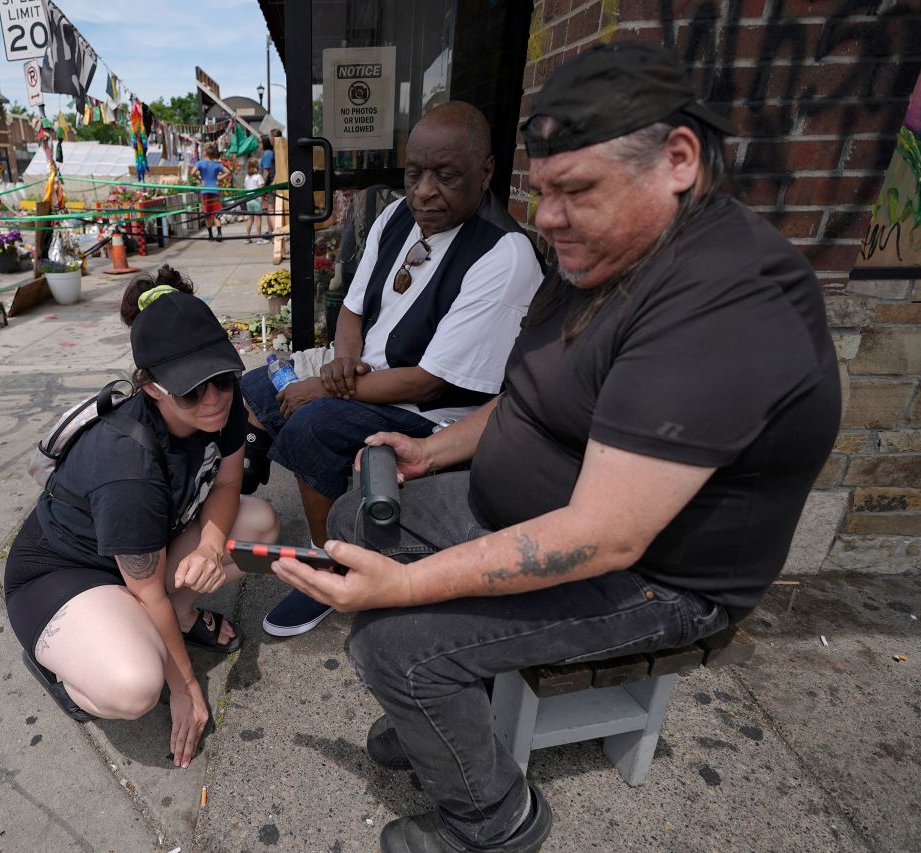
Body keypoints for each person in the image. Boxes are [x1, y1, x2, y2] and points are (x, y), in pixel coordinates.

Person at [270, 43, 841, 853]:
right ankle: (444, 716)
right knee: (371, 512)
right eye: (541, 192)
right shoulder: (615, 249)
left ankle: (495, 816)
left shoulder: (722, 304)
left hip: (655, 579)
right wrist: (437, 452)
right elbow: (530, 395)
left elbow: (607, 534)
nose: (545, 218)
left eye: (574, 191)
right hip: (541, 507)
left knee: (394, 637)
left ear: (677, 160)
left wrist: (405, 589)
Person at [240, 101, 544, 637]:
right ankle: (246, 481)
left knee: (313, 426)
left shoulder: (503, 255)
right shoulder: (397, 215)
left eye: (446, 177)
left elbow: (431, 380)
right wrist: (341, 363)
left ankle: (330, 564)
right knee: (253, 389)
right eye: (414, 173)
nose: (425, 191)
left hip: (436, 414)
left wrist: (328, 392)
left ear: (487, 171)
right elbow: (354, 309)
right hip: (368, 375)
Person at [3, 265, 280, 770]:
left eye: (222, 376)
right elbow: (147, 588)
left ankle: (176, 619)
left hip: (142, 554)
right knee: (134, 687)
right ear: (152, 388)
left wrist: (211, 548)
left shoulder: (224, 404)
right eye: (192, 390)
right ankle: (65, 665)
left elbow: (229, 484)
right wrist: (186, 686)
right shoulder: (127, 465)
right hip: (62, 575)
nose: (214, 398)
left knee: (256, 524)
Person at [191, 142, 230, 242]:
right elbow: (228, 171)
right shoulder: (216, 165)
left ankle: (210, 235)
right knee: (216, 213)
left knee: (207, 213)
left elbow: (192, 173)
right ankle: (220, 234)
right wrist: (220, 178)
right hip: (215, 190)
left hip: (205, 191)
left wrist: (200, 180)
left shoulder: (200, 163)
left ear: (204, 152)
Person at [243, 158, 267, 244]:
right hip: (257, 201)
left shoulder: (247, 177)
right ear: (257, 166)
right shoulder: (258, 177)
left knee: (250, 219)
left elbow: (245, 188)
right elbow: (261, 187)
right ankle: (259, 238)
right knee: (258, 219)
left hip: (248, 200)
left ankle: (247, 237)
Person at [259, 135, 276, 238]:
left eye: (260, 142)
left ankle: (272, 232)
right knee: (271, 209)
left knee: (270, 209)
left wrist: (262, 186)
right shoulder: (271, 153)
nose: (259, 144)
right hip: (271, 185)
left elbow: (266, 172)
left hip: (269, 186)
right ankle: (270, 231)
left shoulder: (267, 154)